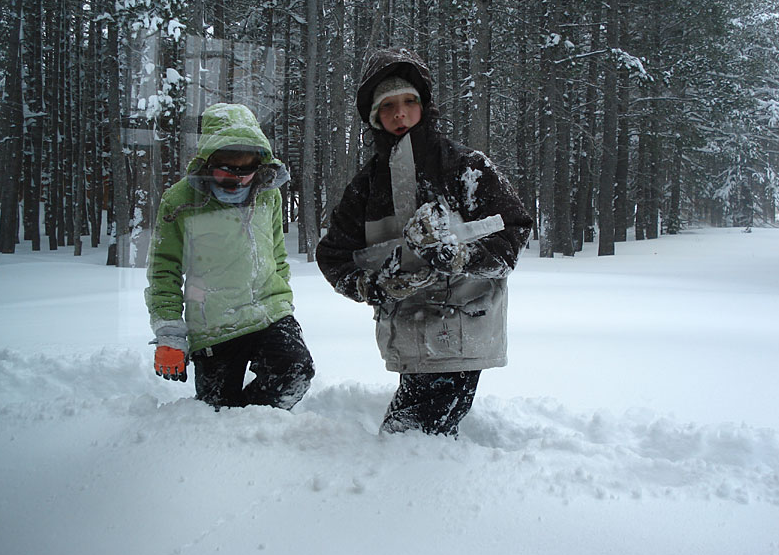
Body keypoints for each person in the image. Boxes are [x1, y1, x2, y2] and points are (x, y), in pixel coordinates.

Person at [316, 48, 533, 437]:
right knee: (410, 441)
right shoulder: (366, 186)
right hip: (407, 340)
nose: (400, 114)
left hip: (464, 333)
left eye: (408, 102)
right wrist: (372, 285)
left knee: (406, 441)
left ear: (423, 105)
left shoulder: (466, 167)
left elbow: (513, 230)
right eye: (388, 107)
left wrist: (463, 256)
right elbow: (333, 255)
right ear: (374, 118)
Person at [145, 102, 314, 411]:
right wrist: (170, 333)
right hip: (214, 324)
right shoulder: (180, 201)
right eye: (227, 169)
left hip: (269, 312)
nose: (237, 178)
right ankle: (235, 432)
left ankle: (256, 428)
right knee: (218, 410)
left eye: (245, 169)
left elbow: (277, 252)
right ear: (208, 161)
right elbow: (163, 270)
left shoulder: (269, 193)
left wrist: (283, 301)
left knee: (295, 372)